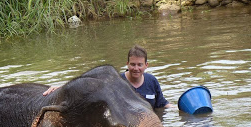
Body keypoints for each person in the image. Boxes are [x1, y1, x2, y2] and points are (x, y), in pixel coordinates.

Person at [43, 45, 173, 109]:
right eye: (132, 64)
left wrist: (182, 110)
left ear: (146, 65)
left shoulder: (152, 81)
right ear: (127, 64)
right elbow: (88, 84)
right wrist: (61, 88)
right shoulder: (116, 80)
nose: (136, 68)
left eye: (140, 65)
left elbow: (162, 105)